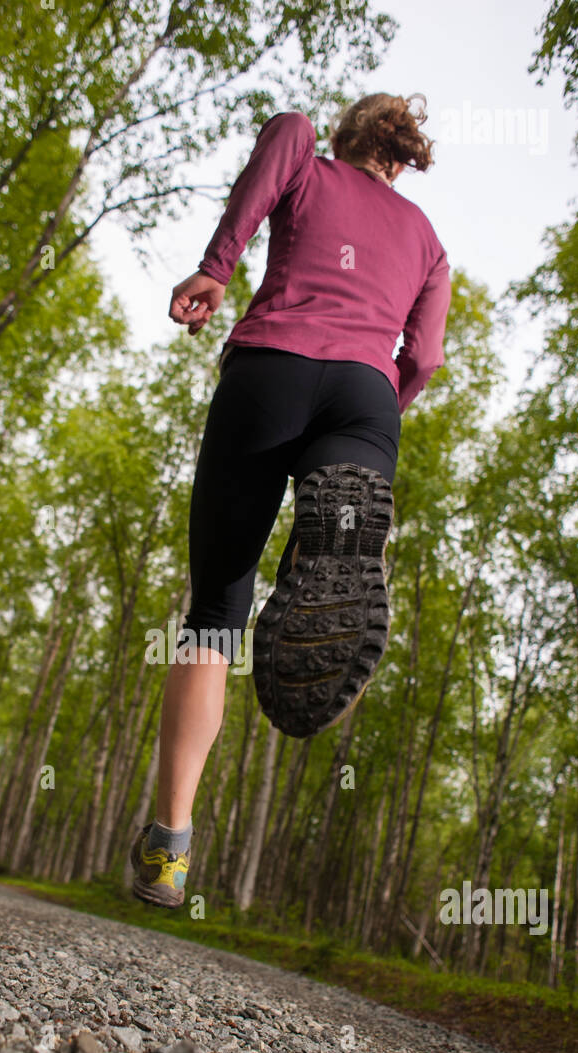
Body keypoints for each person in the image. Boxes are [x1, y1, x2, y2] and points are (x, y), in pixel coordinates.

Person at [131, 92, 451, 907]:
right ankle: (320, 545)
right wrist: (375, 404)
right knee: (344, 504)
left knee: (213, 614)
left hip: (269, 370)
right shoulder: (428, 242)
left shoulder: (305, 154)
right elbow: (425, 356)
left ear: (343, 138)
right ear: (403, 155)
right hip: (364, 397)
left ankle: (169, 845)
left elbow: (280, 146)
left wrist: (216, 267)